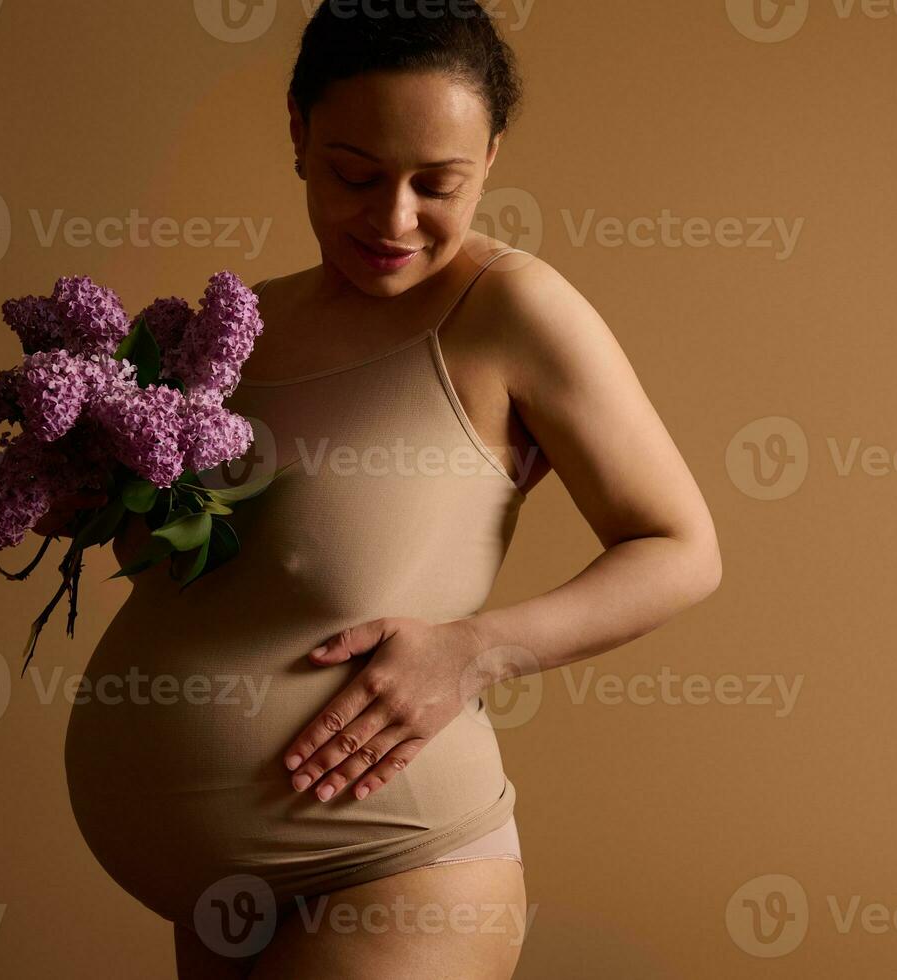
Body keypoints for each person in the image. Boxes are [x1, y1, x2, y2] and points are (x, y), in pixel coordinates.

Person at [59, 3, 721, 977]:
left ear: (491, 156)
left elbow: (681, 547)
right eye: (356, 174)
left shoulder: (507, 310)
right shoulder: (240, 326)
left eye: (437, 183)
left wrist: (475, 649)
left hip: (392, 870)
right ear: (297, 133)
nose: (394, 219)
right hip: (216, 905)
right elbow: (218, 584)